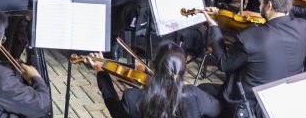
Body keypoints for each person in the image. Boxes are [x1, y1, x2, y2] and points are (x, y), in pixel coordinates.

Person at [201, 0, 306, 114]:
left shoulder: (251, 36)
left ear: (269, 5)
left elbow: (224, 64)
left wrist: (213, 25)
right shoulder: (303, 27)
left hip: (249, 106)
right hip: (281, 103)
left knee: (202, 89)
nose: (259, 7)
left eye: (261, 3)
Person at [93, 41, 221, 118]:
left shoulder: (131, 97)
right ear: (182, 70)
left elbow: (114, 108)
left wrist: (101, 73)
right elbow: (218, 110)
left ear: (153, 66)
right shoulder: (194, 94)